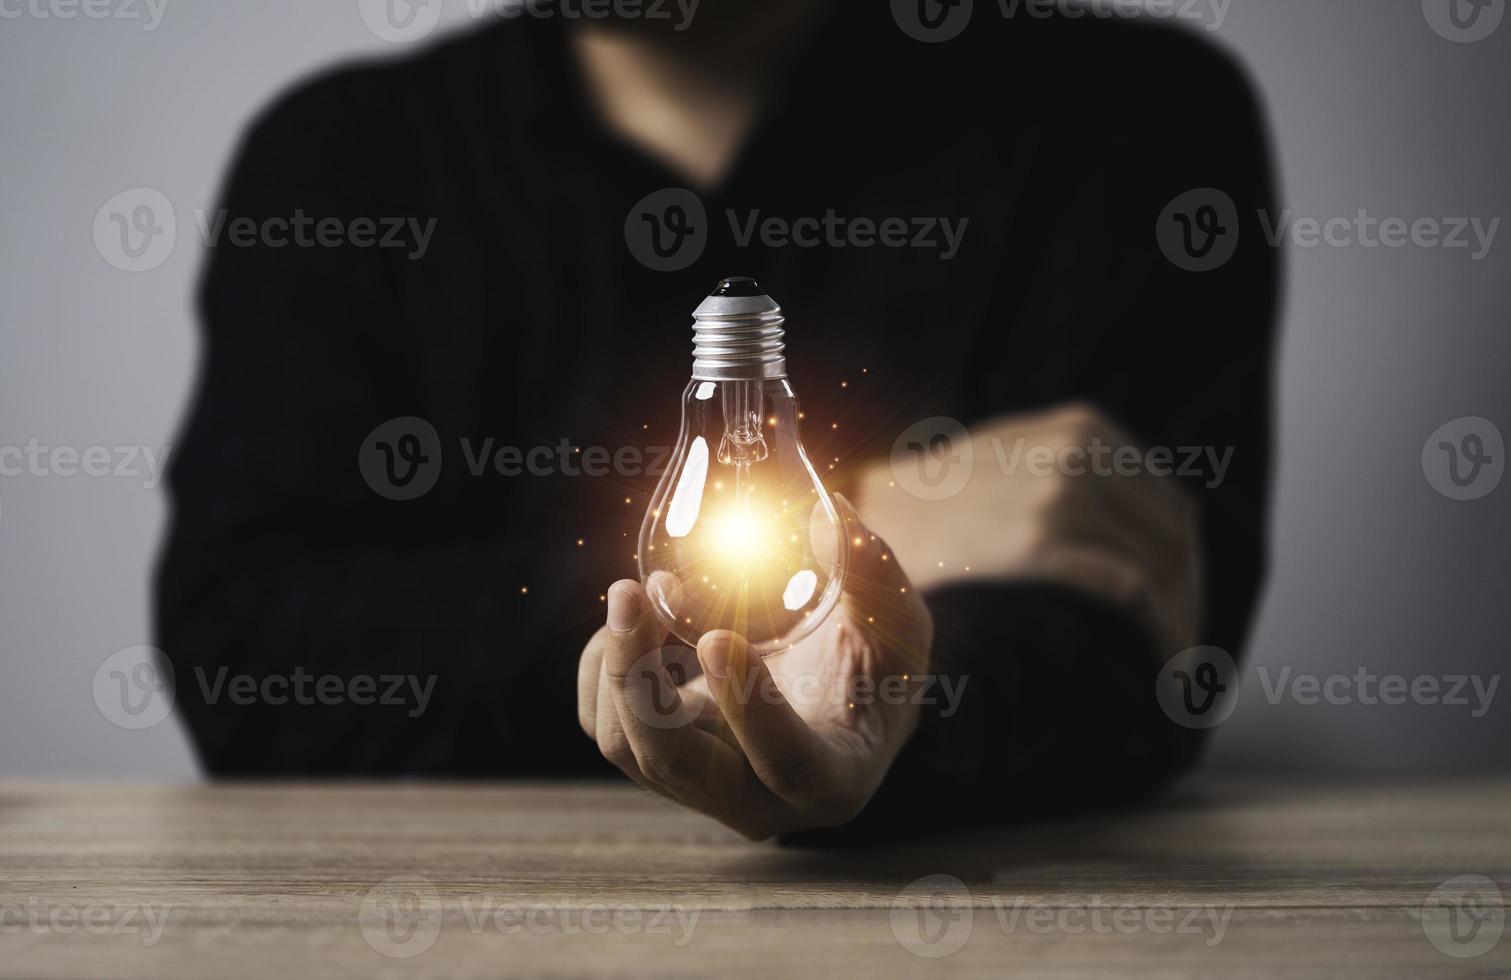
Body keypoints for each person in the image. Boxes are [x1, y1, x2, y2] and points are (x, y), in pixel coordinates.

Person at [156, 0, 1278, 842]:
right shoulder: (341, 163)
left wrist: (886, 709)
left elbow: (1142, 648)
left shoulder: (1122, 118)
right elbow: (250, 651)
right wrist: (885, 521)